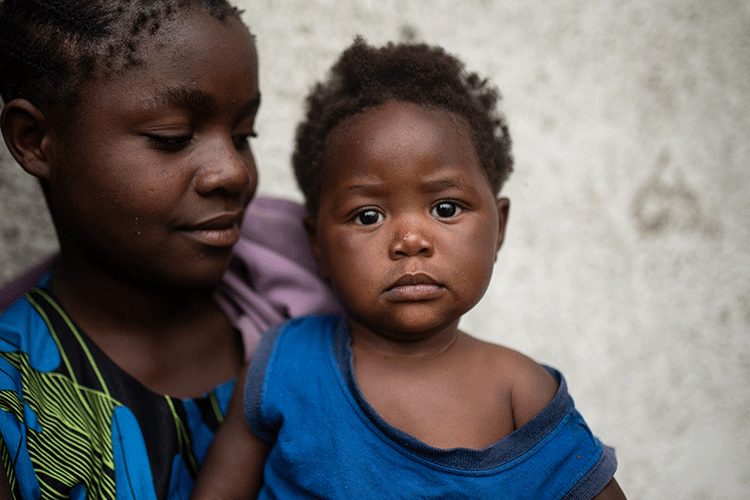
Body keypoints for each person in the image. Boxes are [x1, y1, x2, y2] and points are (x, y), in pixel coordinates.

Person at [193, 38, 626, 499]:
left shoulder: (520, 394)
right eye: (368, 216)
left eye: (445, 207)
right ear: (316, 243)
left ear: (498, 227)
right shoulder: (285, 364)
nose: (410, 241)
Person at [0, 1, 338, 498]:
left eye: (244, 135)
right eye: (172, 137)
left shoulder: (308, 280)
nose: (234, 171)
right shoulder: (17, 402)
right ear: (35, 140)